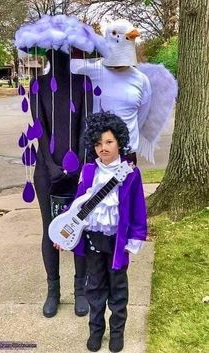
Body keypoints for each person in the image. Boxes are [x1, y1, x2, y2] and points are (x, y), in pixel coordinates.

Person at [54, 112, 147, 352]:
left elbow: (138, 208)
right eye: (98, 143)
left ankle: (117, 333)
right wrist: (64, 233)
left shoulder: (130, 173)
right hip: (93, 241)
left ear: (119, 143)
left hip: (117, 243)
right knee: (94, 288)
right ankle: (96, 331)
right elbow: (77, 207)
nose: (103, 148)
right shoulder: (87, 172)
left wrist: (135, 237)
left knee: (118, 289)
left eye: (109, 142)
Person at [29, 49, 93, 318]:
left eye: (63, 51)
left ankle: (80, 290)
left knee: (77, 228)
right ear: (45, 54)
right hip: (46, 170)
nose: (58, 56)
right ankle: (53, 290)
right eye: (52, 52)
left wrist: (78, 164)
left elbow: (85, 127)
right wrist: (50, 164)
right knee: (50, 229)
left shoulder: (84, 84)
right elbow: (39, 129)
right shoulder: (37, 86)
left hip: (77, 170)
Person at [71, 19, 152, 165]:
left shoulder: (141, 80)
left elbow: (140, 117)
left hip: (126, 156)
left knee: (128, 188)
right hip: (95, 154)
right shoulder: (87, 73)